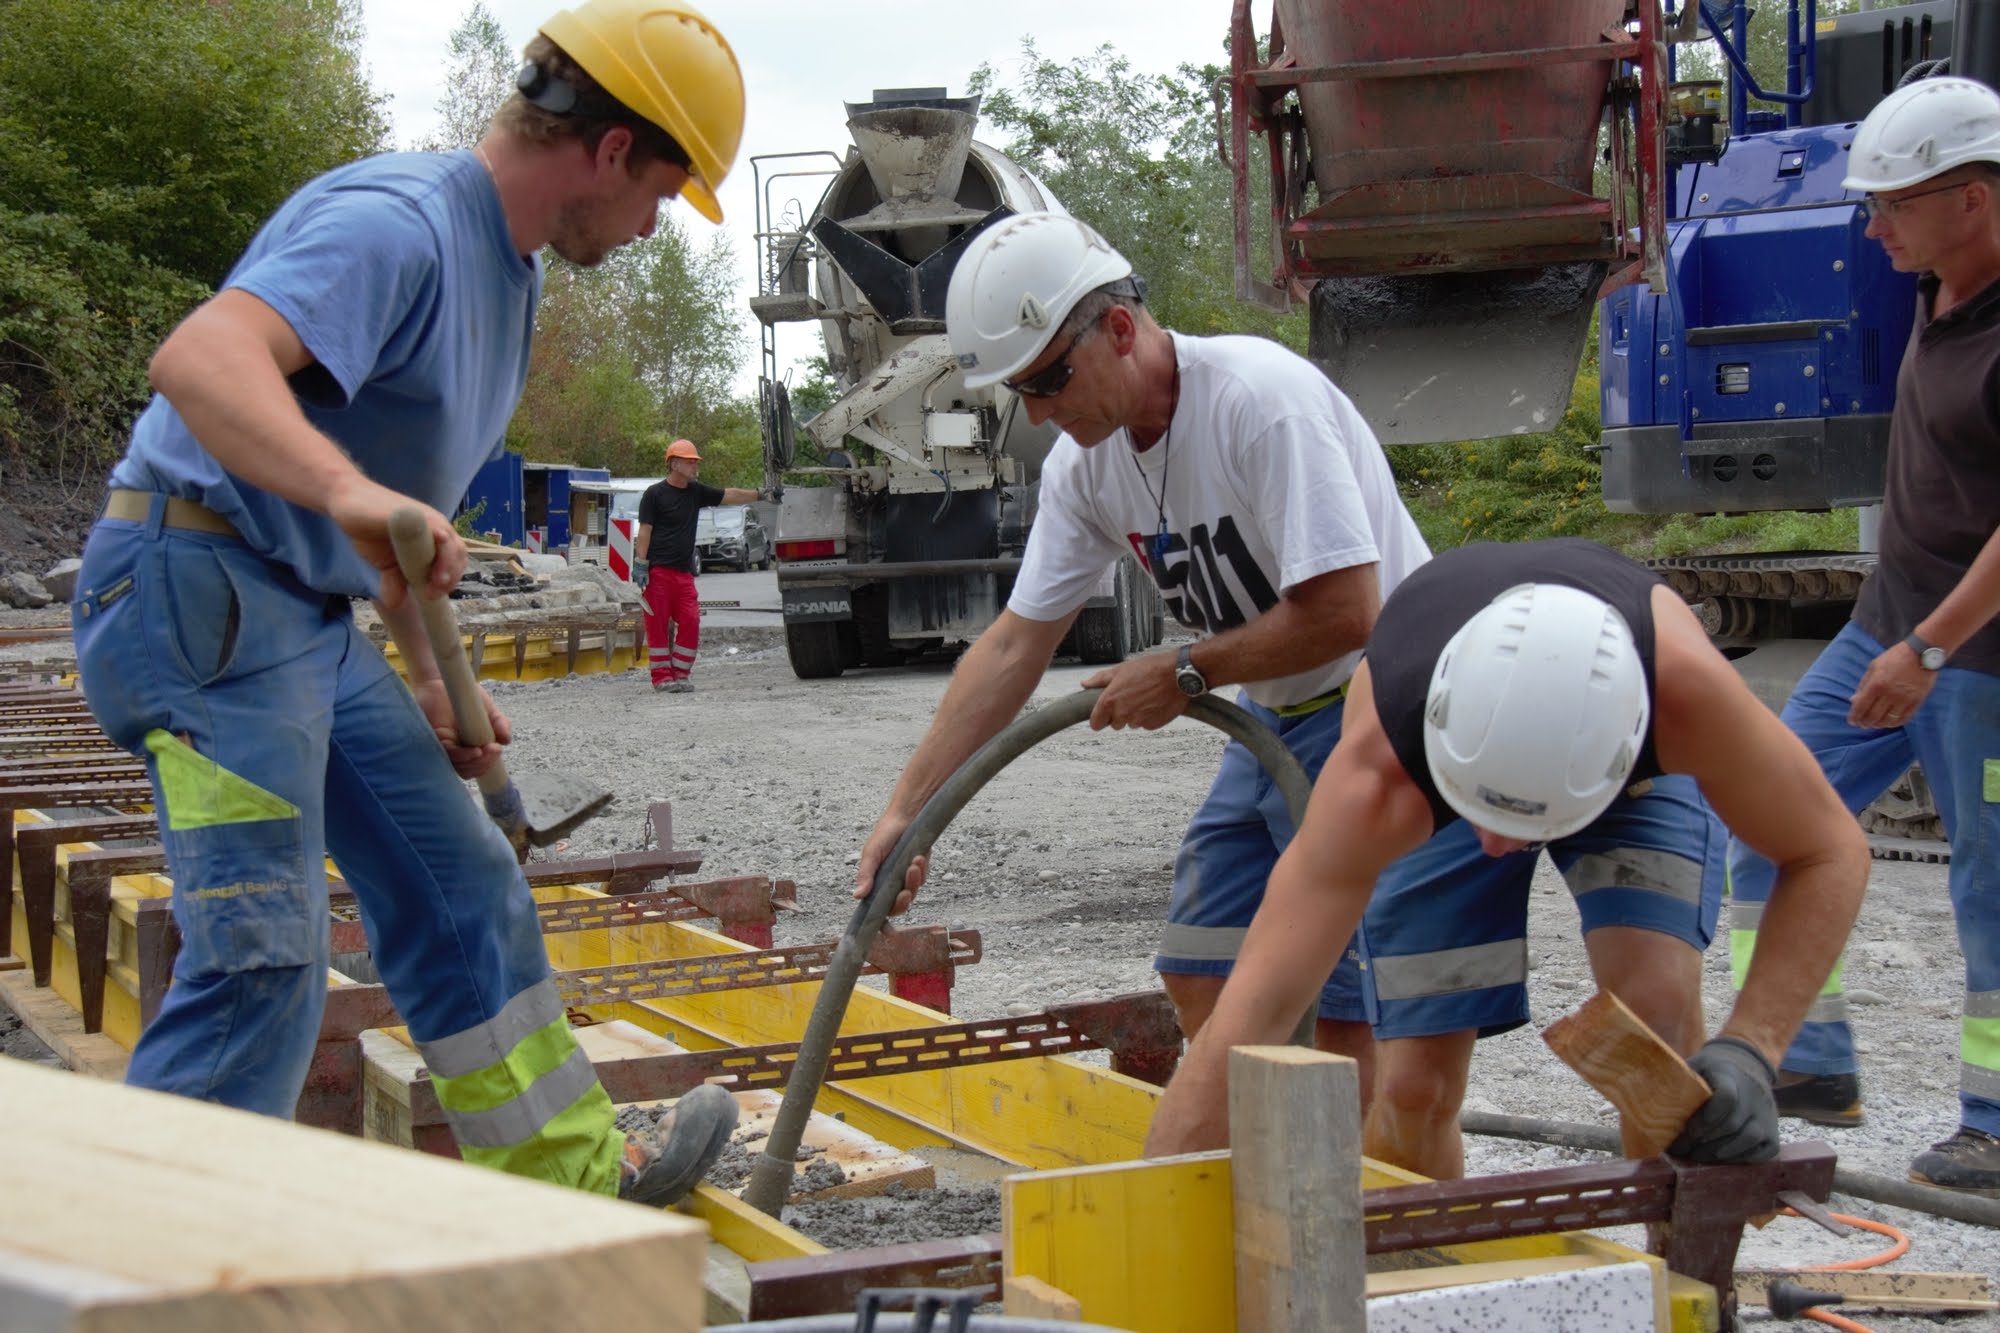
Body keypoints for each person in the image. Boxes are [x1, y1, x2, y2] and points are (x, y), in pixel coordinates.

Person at [66, 0, 746, 1206]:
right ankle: (141, 1271)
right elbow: (200, 358)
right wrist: (344, 496)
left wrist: (431, 675)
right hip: (199, 597)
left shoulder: (509, 270)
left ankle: (576, 1188)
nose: (652, 226)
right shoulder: (401, 224)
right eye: (662, 191)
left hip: (299, 615)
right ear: (606, 150)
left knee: (463, 883)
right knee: (261, 958)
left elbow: (382, 521)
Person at [856, 211, 1452, 1086]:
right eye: (1021, 394)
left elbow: (1349, 612)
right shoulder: (1084, 465)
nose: (1042, 412)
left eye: (1051, 379)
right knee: (1198, 967)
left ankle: (1340, 1200)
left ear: (1122, 330)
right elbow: (1017, 643)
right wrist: (909, 812)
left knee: (1344, 1003)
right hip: (1277, 712)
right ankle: (1262, 1161)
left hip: (1376, 702)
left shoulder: (1258, 403)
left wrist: (1184, 670)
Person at [1144, 539, 1869, 1174]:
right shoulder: (1379, 771)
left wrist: (1754, 1046)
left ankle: (1680, 1283)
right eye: (1479, 815)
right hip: (1443, 747)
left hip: (1626, 750)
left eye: (1522, 824)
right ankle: (1423, 1286)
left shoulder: (1689, 703)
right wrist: (1145, 1217)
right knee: (1412, 1085)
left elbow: (1828, 850)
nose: (1494, 846)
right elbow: (1254, 1010)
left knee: (1659, 1019)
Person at [1727, 75, 2000, 1193]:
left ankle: (1989, 1121)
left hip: (1973, 653)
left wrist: (1928, 648)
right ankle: (1801, 1062)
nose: (1872, 225)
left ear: (1973, 199)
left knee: (1989, 888)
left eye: (1894, 203)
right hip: (1890, 621)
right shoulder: (1937, 288)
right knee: (1767, 809)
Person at [633, 437, 764, 692]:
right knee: (657, 626)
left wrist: (760, 494)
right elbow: (645, 531)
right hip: (658, 572)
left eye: (695, 462)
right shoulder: (654, 495)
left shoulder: (696, 492)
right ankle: (662, 677)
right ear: (674, 464)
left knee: (691, 621)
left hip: (683, 574)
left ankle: (680, 673)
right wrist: (641, 564)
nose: (695, 466)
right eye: (690, 462)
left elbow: (730, 494)